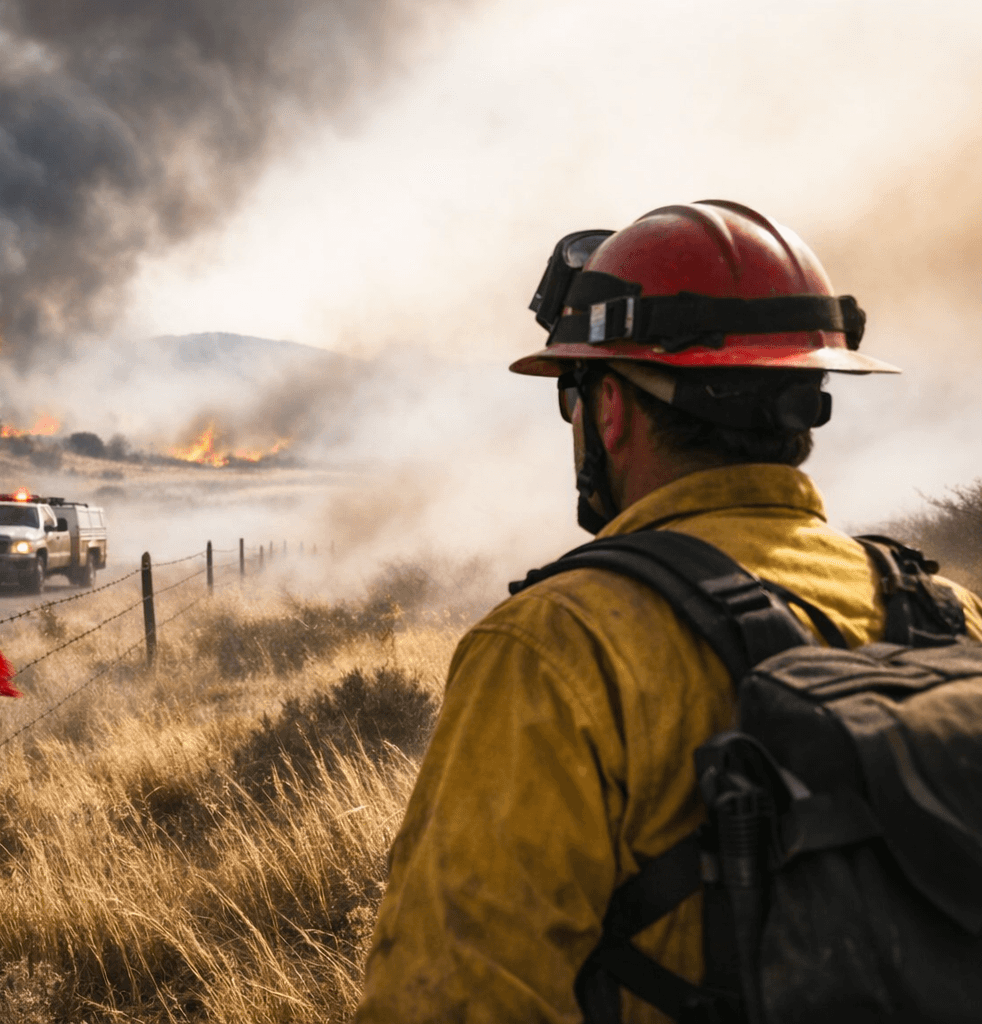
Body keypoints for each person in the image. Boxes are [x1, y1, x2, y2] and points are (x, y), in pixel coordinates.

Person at [353, 200, 982, 1024]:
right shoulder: (950, 618)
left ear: (609, 408)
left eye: (574, 396)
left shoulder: (556, 647)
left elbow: (451, 1000)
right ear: (805, 399)